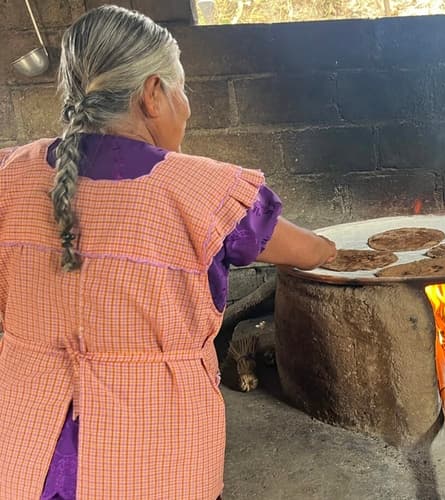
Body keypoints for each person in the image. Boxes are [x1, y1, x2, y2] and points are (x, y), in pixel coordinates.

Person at [0, 5, 336, 499]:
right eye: (182, 88)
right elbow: (308, 251)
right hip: (149, 454)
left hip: (24, 449)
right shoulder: (203, 190)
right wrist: (334, 245)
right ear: (153, 94)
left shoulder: (11, 175)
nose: (188, 105)